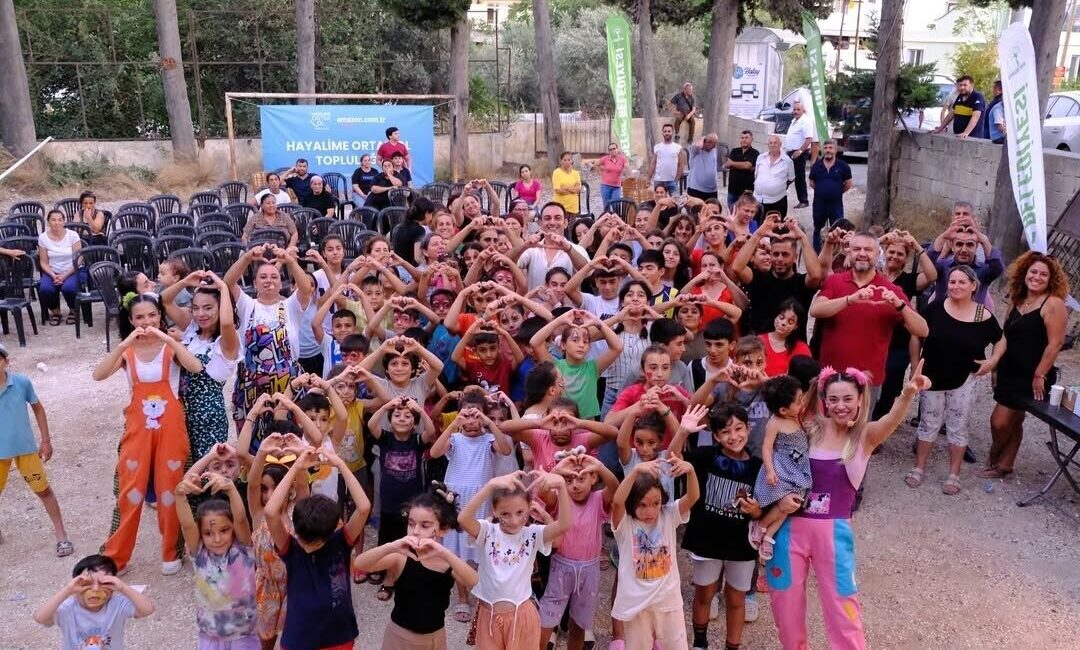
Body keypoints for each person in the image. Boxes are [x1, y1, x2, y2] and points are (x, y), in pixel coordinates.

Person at [766, 363, 931, 649]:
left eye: (847, 399)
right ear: (824, 401)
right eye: (833, 399)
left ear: (859, 400)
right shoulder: (807, 430)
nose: (840, 406)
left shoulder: (864, 437)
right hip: (788, 531)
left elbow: (891, 420)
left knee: (844, 609)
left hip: (834, 537)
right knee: (786, 608)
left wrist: (907, 394)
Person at [91, 294, 205, 574]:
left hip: (171, 429)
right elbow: (98, 375)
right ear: (131, 321)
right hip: (137, 430)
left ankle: (171, 551)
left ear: (159, 316)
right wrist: (124, 344)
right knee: (131, 491)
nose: (147, 322)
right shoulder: (127, 353)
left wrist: (168, 339)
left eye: (152, 315)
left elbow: (196, 367)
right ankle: (116, 556)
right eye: (140, 317)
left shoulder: (171, 346)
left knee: (170, 489)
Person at [670, 403, 762, 650]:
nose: (734, 437)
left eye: (738, 429)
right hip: (706, 540)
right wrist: (682, 431)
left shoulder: (758, 468)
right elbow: (673, 459)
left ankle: (733, 646)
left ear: (748, 428)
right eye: (725, 432)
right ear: (716, 436)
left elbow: (763, 509)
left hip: (741, 546)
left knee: (736, 598)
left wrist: (755, 511)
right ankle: (700, 643)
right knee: (704, 595)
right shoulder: (705, 457)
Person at [905, 266, 1002, 495]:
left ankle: (954, 474)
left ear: (973, 286)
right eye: (952, 282)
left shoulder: (981, 314)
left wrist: (993, 361)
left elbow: (1000, 339)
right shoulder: (936, 308)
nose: (955, 286)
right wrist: (914, 365)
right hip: (932, 377)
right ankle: (919, 467)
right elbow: (916, 334)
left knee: (958, 427)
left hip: (965, 378)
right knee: (928, 423)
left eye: (961, 282)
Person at [264, 446, 371, 650]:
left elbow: (364, 507)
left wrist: (335, 464)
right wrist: (297, 467)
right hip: (307, 637)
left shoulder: (300, 547)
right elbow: (270, 512)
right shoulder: (332, 542)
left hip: (331, 636)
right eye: (306, 539)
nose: (307, 545)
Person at [810, 231, 929, 410]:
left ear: (878, 254)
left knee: (859, 436)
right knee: (824, 433)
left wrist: (900, 306)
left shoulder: (891, 289)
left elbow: (923, 330)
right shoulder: (835, 281)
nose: (862, 253)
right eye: (856, 249)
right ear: (849, 252)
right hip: (831, 375)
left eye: (868, 249)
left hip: (867, 381)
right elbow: (816, 310)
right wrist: (850, 299)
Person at [353, 485, 479, 649]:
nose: (415, 531)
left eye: (425, 526)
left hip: (436, 636)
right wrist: (391, 546)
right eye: (411, 524)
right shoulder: (401, 556)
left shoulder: (447, 561)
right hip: (400, 637)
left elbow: (475, 582)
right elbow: (360, 564)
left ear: (443, 529)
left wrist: (446, 554)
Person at [458, 471, 571, 650]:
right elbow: (463, 519)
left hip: (522, 616)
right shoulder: (487, 531)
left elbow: (564, 524)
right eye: (505, 513)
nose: (514, 520)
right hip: (489, 616)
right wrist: (490, 486)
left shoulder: (533, 534)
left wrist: (562, 487)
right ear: (494, 510)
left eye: (520, 512)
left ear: (529, 507)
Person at [982, 252, 1068, 478]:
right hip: (1008, 370)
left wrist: (1040, 375)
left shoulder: (1053, 304)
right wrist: (995, 367)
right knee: (1015, 419)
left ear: (1051, 279)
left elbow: (1055, 344)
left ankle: (995, 454)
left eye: (1043, 274)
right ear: (1024, 273)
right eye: (1033, 272)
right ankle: (1005, 465)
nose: (1037, 277)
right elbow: (1005, 336)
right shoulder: (1017, 300)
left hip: (1032, 376)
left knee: (1000, 422)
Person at [223, 245, 313, 437]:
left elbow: (306, 288)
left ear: (282, 284)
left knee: (289, 437)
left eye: (274, 277)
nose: (268, 281)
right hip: (251, 385)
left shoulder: (290, 306)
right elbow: (228, 282)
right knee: (254, 437)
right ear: (254, 283)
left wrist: (290, 261)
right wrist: (247, 258)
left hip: (288, 384)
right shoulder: (247, 305)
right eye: (263, 277)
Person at [610, 456, 699, 650]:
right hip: (636, 606)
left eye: (656, 503)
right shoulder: (625, 524)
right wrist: (635, 472)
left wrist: (690, 470)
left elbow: (692, 497)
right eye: (642, 504)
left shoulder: (668, 516)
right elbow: (617, 502)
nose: (650, 511)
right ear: (632, 502)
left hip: (668, 601)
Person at [0, 343, 73, 556]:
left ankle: (61, 536)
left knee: (43, 490)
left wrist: (46, 440)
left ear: (6, 361)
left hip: (25, 450)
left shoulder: (21, 383)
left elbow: (38, 409)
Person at [541, 454, 619, 650]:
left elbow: (616, 488)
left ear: (593, 479)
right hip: (561, 567)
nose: (574, 485)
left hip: (589, 571)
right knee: (547, 619)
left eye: (581, 478)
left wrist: (600, 466)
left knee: (578, 624)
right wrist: (558, 470)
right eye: (569, 480)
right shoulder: (560, 499)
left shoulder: (599, 499)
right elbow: (542, 488)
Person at [161, 271, 241, 463]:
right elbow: (163, 301)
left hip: (208, 418)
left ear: (221, 307)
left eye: (208, 308)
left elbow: (228, 322)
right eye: (196, 308)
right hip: (180, 412)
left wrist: (223, 287)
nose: (200, 314)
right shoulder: (192, 330)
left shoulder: (227, 341)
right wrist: (185, 281)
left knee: (207, 470)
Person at [175, 471, 258, 649]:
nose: (217, 539)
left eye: (224, 530)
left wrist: (230, 488)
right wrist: (180, 496)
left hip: (244, 635)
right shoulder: (199, 554)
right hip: (210, 636)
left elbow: (241, 518)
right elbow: (187, 525)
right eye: (208, 533)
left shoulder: (243, 549)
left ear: (233, 529)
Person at [871, 229, 938, 420]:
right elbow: (859, 253)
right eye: (891, 252)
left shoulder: (909, 280)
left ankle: (879, 424)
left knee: (890, 385)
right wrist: (882, 239)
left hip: (898, 342)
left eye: (900, 254)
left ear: (906, 258)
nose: (894, 256)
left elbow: (932, 276)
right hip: (873, 337)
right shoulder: (873, 273)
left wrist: (916, 246)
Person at [748, 376, 812, 561]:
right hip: (782, 469)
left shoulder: (795, 415)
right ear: (783, 409)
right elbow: (767, 447)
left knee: (792, 503)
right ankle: (761, 525)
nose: (802, 402)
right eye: (799, 401)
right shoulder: (775, 422)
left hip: (797, 469)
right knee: (783, 502)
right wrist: (770, 470)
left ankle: (768, 536)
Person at [33, 554, 155, 649]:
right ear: (75, 586)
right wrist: (67, 590)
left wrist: (123, 587)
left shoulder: (116, 604)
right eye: (87, 583)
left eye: (104, 583)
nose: (95, 589)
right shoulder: (68, 608)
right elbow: (40, 618)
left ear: (112, 588)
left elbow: (147, 609)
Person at [731, 214, 822, 338]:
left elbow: (816, 275)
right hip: (762, 348)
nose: (779, 259)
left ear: (794, 257)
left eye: (785, 254)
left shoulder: (802, 283)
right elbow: (737, 267)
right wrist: (758, 234)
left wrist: (802, 237)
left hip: (792, 349)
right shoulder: (759, 278)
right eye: (775, 254)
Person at [927, 204, 1003, 305]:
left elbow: (997, 267)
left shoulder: (984, 271)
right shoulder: (943, 267)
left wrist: (984, 240)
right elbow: (929, 258)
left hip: (973, 319)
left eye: (969, 245)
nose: (964, 249)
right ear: (952, 246)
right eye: (959, 244)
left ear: (976, 247)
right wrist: (945, 235)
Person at [38, 209, 85, 326]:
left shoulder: (73, 235)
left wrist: (64, 276)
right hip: (53, 271)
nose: (57, 223)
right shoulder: (43, 237)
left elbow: (79, 259)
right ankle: (55, 312)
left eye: (60, 220)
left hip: (72, 270)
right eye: (53, 220)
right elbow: (43, 262)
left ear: (64, 221)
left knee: (68, 288)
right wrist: (53, 275)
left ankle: (73, 311)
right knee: (45, 289)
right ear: (48, 222)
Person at [807, 140, 853, 251]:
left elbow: (848, 184)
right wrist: (822, 191)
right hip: (819, 205)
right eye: (826, 147)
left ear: (835, 150)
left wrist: (836, 192)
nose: (828, 150)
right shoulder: (816, 166)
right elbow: (811, 182)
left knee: (838, 230)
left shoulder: (843, 166)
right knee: (818, 229)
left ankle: (836, 255)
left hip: (836, 205)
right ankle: (818, 255)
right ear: (823, 150)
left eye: (830, 148)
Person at [760, 298, 812, 376]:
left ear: (796, 326)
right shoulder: (758, 341)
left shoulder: (802, 349)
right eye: (781, 317)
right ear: (775, 316)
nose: (784, 323)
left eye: (790, 321)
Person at [754, 134, 795, 218]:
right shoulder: (761, 157)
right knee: (757, 226)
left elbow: (791, 178)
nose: (773, 145)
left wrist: (778, 186)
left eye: (775, 143)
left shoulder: (787, 161)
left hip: (777, 200)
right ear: (768, 145)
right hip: (758, 199)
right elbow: (756, 174)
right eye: (770, 143)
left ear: (780, 145)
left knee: (775, 227)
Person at [784, 101, 816, 208]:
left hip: (799, 153)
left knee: (799, 177)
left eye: (798, 109)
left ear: (803, 110)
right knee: (786, 174)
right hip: (790, 152)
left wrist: (800, 151)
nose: (796, 111)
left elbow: (809, 139)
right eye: (794, 109)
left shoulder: (806, 122)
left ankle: (803, 201)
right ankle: (779, 194)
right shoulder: (794, 121)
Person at [934, 75, 986, 139]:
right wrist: (940, 129)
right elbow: (951, 114)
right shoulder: (960, 96)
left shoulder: (977, 97)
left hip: (971, 137)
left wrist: (966, 132)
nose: (962, 87)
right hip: (958, 136)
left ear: (971, 85)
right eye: (960, 85)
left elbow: (976, 116)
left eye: (965, 85)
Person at [724, 130, 759, 211]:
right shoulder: (734, 151)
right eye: (742, 138)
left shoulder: (755, 153)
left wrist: (733, 163)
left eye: (746, 138)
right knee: (732, 215)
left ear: (751, 139)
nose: (744, 140)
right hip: (732, 191)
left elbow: (747, 165)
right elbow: (727, 164)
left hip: (746, 193)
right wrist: (742, 165)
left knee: (744, 215)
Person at [649, 123, 685, 196]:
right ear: (662, 133)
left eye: (669, 131)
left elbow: (681, 165)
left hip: (672, 181)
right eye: (665, 131)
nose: (667, 133)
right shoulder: (657, 147)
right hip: (659, 181)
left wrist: (676, 180)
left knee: (674, 203)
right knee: (659, 203)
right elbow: (653, 163)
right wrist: (648, 179)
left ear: (672, 133)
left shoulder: (677, 147)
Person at [592, 141, 629, 209]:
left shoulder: (622, 159)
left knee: (616, 206)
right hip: (605, 186)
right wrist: (600, 173)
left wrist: (626, 176)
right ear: (609, 151)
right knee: (606, 206)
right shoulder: (605, 159)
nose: (612, 150)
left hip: (616, 187)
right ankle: (607, 219)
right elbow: (595, 164)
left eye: (614, 148)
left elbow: (627, 168)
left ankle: (615, 219)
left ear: (617, 149)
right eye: (610, 149)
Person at [686, 133, 720, 201]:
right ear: (706, 142)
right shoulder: (695, 150)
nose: (714, 147)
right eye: (713, 144)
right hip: (696, 189)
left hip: (712, 190)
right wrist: (704, 138)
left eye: (715, 144)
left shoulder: (713, 150)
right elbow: (698, 145)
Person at [985, 79, 1005, 144]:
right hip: (995, 135)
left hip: (993, 133)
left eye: (994, 88)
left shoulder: (998, 102)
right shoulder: (998, 106)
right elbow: (999, 124)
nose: (993, 90)